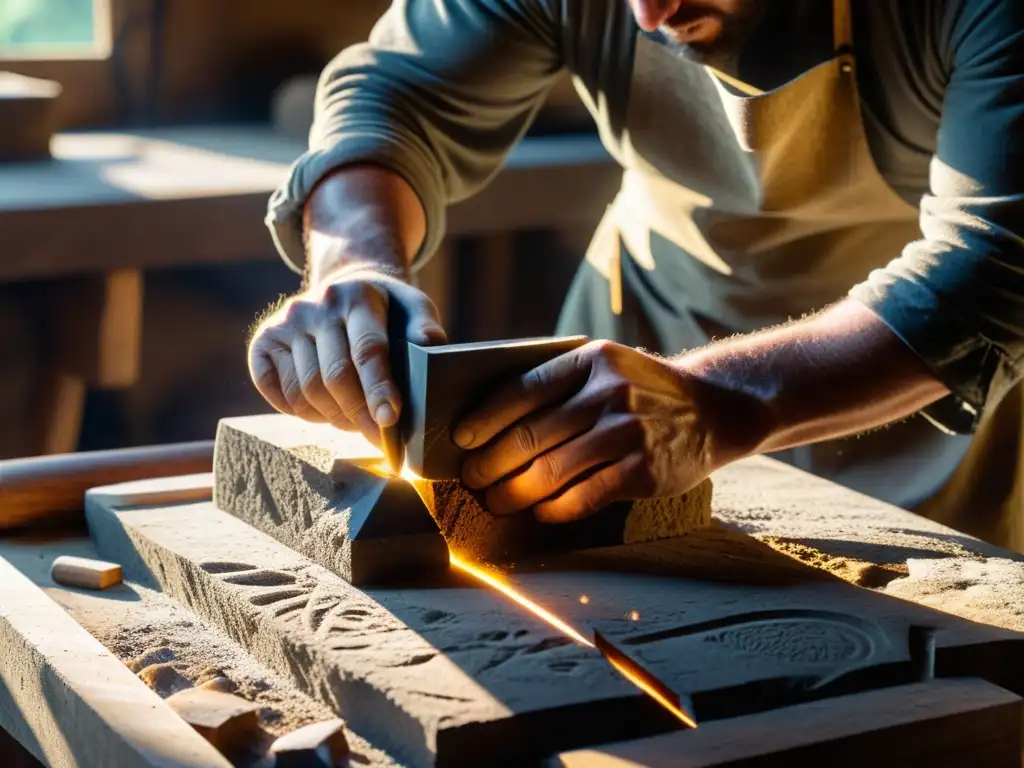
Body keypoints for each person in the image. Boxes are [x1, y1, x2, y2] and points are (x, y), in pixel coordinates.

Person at [248, 0, 1024, 546]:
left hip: (914, 407)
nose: (649, 16)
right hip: (631, 350)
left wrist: (720, 404)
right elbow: (395, 95)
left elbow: (990, 267)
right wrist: (354, 262)